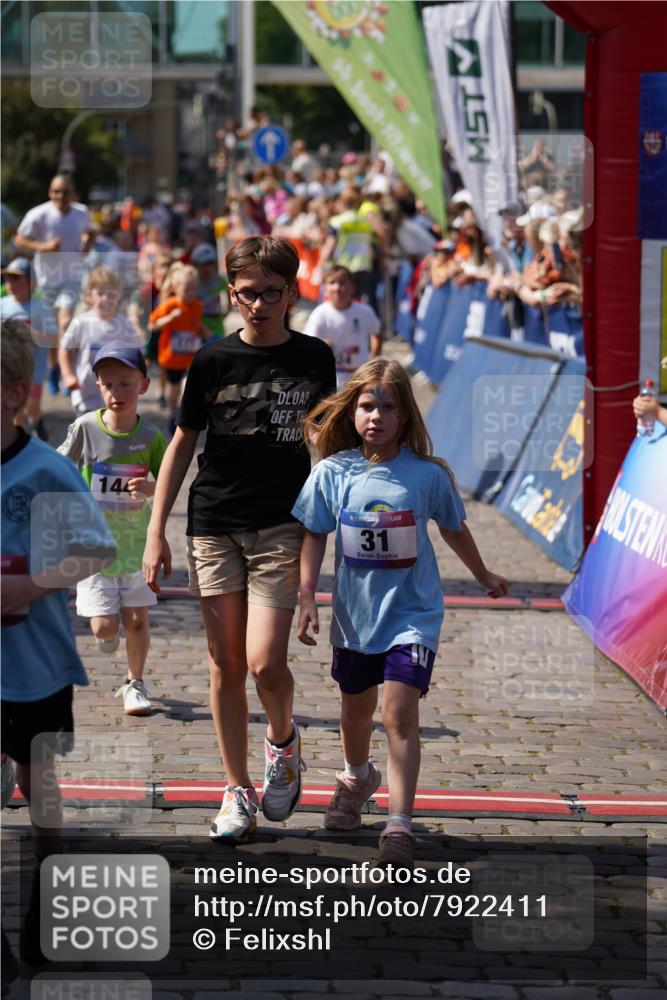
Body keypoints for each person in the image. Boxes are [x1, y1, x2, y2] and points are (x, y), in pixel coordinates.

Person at [142, 236, 336, 843]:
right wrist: (155, 530)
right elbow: (182, 444)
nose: (259, 304)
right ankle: (236, 788)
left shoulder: (315, 358)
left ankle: (283, 744)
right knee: (225, 664)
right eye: (248, 293)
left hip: (282, 524)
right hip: (214, 522)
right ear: (231, 294)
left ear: (291, 293)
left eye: (271, 293)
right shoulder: (211, 361)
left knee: (265, 663)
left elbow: (327, 443)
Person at [292, 359, 508, 868]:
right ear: (353, 412)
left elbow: (453, 528)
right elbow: (315, 533)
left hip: (413, 615)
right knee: (355, 711)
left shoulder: (427, 475)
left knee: (398, 713)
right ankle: (356, 776)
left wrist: (481, 573)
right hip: (356, 618)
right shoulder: (332, 473)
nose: (377, 416)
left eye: (388, 407)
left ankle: (398, 824)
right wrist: (306, 594)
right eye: (367, 406)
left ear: (405, 416)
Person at [1, 317, 115, 965]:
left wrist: (30, 585)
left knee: (34, 773)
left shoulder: (45, 470)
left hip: (35, 661)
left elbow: (96, 548)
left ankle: (49, 882)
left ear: (14, 393)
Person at [58, 343, 167, 716]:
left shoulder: (151, 437)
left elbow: (169, 481)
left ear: (144, 385)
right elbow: (59, 465)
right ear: (98, 387)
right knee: (105, 627)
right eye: (108, 385)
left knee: (137, 619)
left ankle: (135, 683)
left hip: (137, 545)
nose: (116, 392)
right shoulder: (86, 427)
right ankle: (107, 636)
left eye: (125, 384)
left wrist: (151, 488)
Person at [14, 175, 91, 393]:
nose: (60, 196)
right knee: (51, 330)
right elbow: (19, 240)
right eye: (56, 191)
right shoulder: (38, 214)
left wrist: (88, 243)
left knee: (65, 322)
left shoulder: (81, 212)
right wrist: (43, 247)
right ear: (50, 193)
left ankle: (66, 371)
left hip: (71, 278)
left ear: (72, 194)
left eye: (65, 192)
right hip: (45, 279)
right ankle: (54, 367)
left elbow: (90, 232)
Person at [58, 266, 143, 414]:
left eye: (111, 294)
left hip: (117, 396)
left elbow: (138, 354)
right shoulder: (81, 322)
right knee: (87, 427)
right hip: (86, 395)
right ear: (90, 296)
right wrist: (67, 375)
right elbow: (65, 350)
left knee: (113, 427)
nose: (105, 299)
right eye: (100, 293)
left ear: (119, 295)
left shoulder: (125, 325)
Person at [147, 264, 209, 435]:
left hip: (190, 357)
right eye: (187, 289)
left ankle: (184, 419)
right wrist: (169, 318)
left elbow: (195, 323)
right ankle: (172, 414)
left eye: (194, 288)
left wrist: (205, 333)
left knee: (186, 388)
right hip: (172, 358)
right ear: (175, 289)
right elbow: (152, 325)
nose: (191, 292)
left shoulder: (198, 306)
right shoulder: (169, 305)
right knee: (174, 392)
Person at [0, 257, 56, 439]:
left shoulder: (41, 307)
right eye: (8, 278)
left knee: (32, 407)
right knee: (16, 409)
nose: (10, 283)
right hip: (8, 369)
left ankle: (38, 422)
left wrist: (30, 333)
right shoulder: (2, 304)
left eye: (16, 278)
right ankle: (24, 443)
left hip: (34, 370)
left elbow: (54, 337)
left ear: (31, 282)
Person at [303, 265, 382, 386]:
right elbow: (307, 345)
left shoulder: (364, 311)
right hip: (332, 377)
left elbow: (377, 332)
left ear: (353, 287)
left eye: (342, 283)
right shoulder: (320, 313)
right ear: (324, 288)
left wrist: (375, 358)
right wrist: (321, 346)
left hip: (360, 377)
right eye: (332, 283)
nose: (337, 288)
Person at [191, 243, 229, 341]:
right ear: (195, 264)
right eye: (203, 264)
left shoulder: (220, 281)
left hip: (217, 329)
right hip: (196, 331)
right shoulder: (191, 282)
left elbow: (230, 295)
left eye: (210, 263)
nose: (207, 268)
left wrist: (226, 311)